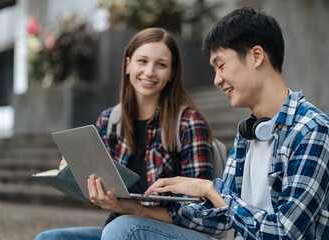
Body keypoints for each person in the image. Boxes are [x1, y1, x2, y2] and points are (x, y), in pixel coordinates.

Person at [87, 7, 329, 240]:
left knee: (125, 230)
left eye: (221, 65)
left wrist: (210, 190)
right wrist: (134, 207)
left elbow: (285, 233)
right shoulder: (247, 134)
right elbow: (219, 218)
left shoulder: (312, 129)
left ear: (256, 56)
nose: (217, 80)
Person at [35, 28, 214, 239]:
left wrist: (133, 209)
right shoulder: (109, 121)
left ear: (172, 73)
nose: (149, 72)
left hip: (176, 233)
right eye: (142, 61)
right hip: (122, 230)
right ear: (128, 64)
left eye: (161, 65)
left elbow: (201, 210)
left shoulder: (188, 123)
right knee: (50, 238)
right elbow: (105, 195)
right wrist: (80, 177)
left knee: (122, 228)